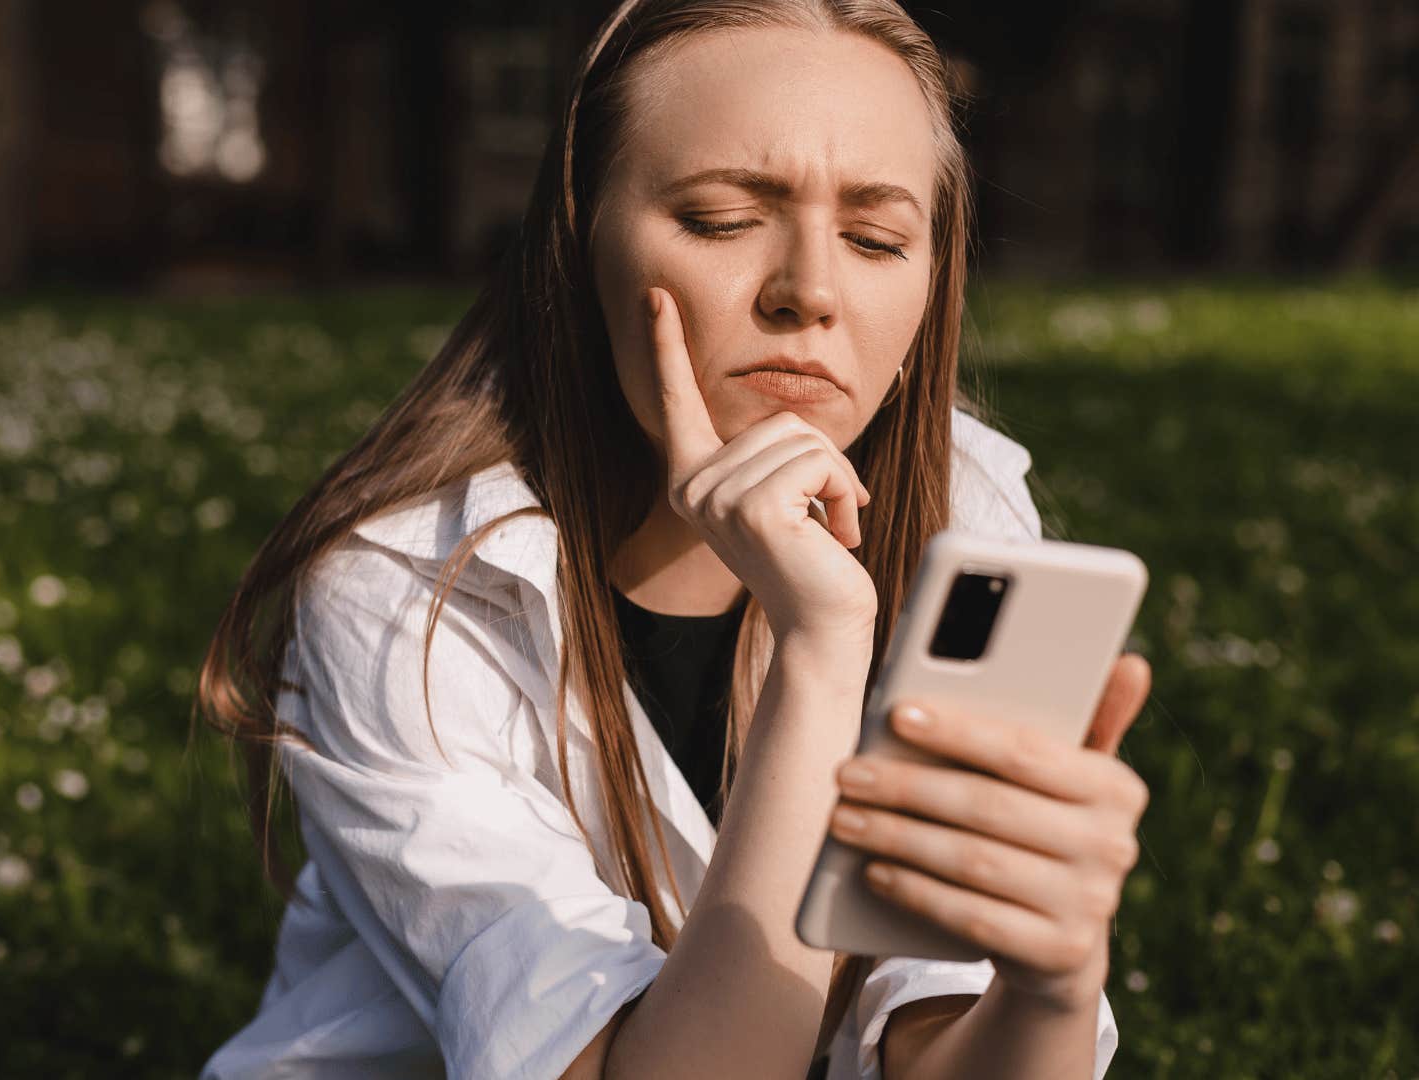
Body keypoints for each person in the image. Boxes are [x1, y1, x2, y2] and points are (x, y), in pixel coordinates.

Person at [196, 0, 1154, 1076]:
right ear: (577, 242)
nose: (812, 292)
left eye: (878, 238)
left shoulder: (968, 517)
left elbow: (937, 1046)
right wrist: (825, 646)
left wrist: (1051, 980)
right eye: (719, 221)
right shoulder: (405, 592)